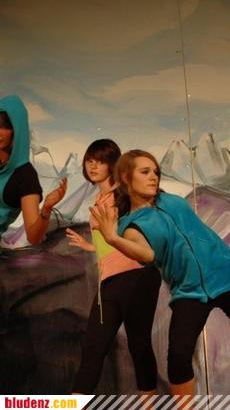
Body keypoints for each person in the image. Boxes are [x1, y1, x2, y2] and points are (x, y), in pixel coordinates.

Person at [90, 149, 230, 396]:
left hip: (228, 277)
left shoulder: (171, 201)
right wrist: (114, 239)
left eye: (156, 172)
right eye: (145, 172)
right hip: (189, 291)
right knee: (178, 358)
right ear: (126, 177)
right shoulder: (130, 225)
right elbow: (146, 254)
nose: (153, 177)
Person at [66, 140, 160, 394]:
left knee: (139, 346)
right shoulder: (100, 198)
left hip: (136, 276)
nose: (93, 166)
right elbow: (111, 241)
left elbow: (138, 233)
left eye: (101, 161)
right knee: (93, 348)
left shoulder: (124, 195)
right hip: (110, 279)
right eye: (90, 160)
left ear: (113, 165)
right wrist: (90, 246)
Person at [0, 94, 67, 244]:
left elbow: (33, 237)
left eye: (5, 127)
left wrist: (46, 210)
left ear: (17, 130)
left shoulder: (25, 176)